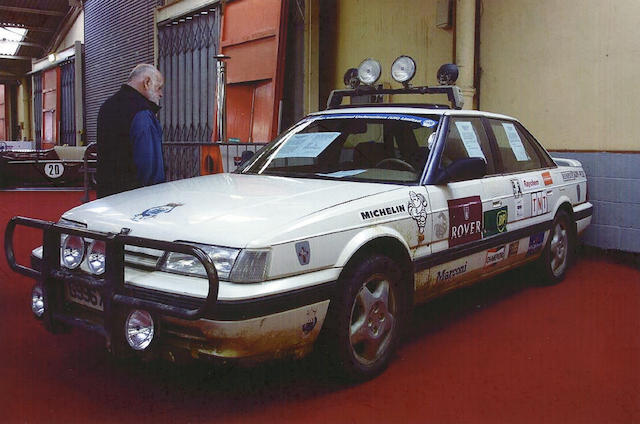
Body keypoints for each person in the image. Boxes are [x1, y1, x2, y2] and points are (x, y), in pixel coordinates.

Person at [96, 64, 165, 198]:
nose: (161, 94)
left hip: (108, 196)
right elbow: (149, 167)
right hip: (135, 201)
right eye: (159, 88)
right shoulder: (142, 114)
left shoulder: (107, 106)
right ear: (147, 83)